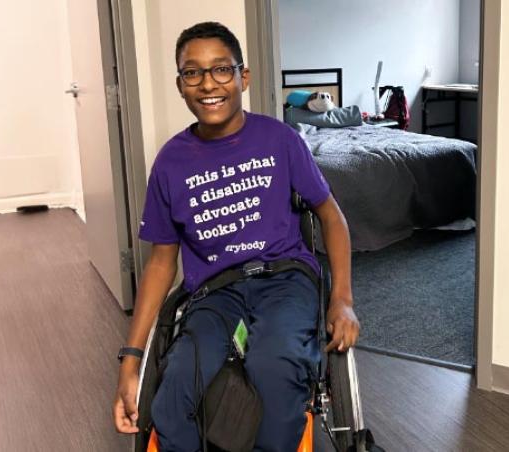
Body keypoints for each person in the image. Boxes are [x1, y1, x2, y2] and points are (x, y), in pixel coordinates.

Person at [112, 21, 359, 451]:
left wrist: (342, 299)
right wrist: (131, 361)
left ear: (243, 77)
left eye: (221, 70)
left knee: (274, 368)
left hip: (285, 277)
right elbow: (160, 261)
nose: (208, 83)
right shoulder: (170, 163)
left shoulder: (279, 139)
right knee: (173, 396)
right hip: (214, 291)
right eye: (193, 72)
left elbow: (331, 217)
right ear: (180, 84)